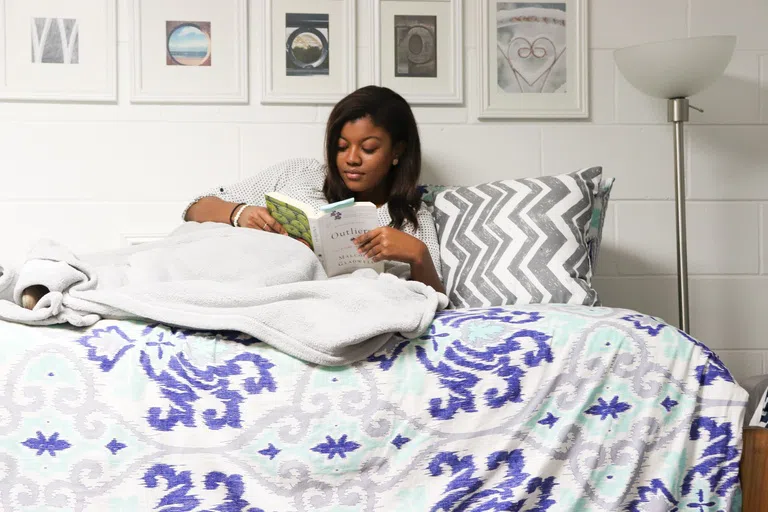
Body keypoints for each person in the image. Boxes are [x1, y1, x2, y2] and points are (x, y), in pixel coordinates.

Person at [184, 86, 445, 293]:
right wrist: (240, 213)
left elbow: (435, 301)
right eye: (341, 147)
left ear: (397, 151)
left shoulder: (409, 216)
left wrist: (417, 254)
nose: (351, 159)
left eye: (368, 149)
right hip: (240, 275)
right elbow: (195, 208)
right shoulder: (301, 173)